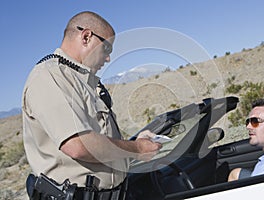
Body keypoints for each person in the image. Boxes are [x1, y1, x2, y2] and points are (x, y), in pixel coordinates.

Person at [22, 11, 162, 199]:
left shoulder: (84, 82)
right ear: (86, 36)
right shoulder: (50, 76)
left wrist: (136, 142)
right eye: (107, 49)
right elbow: (77, 145)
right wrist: (137, 149)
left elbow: (101, 140)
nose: (108, 58)